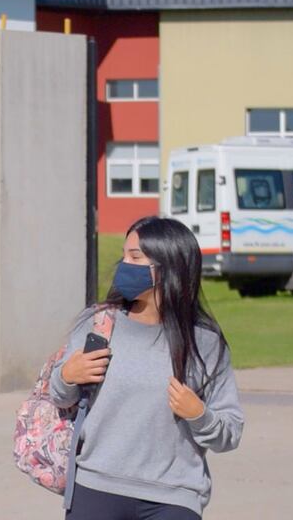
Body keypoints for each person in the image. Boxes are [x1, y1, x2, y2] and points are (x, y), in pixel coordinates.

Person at [51, 216, 244, 519]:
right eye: (124, 255)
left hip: (174, 496)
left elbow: (230, 433)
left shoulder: (205, 342)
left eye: (135, 257)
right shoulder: (98, 324)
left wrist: (199, 415)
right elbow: (60, 397)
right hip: (96, 487)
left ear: (170, 266)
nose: (124, 265)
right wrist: (66, 377)